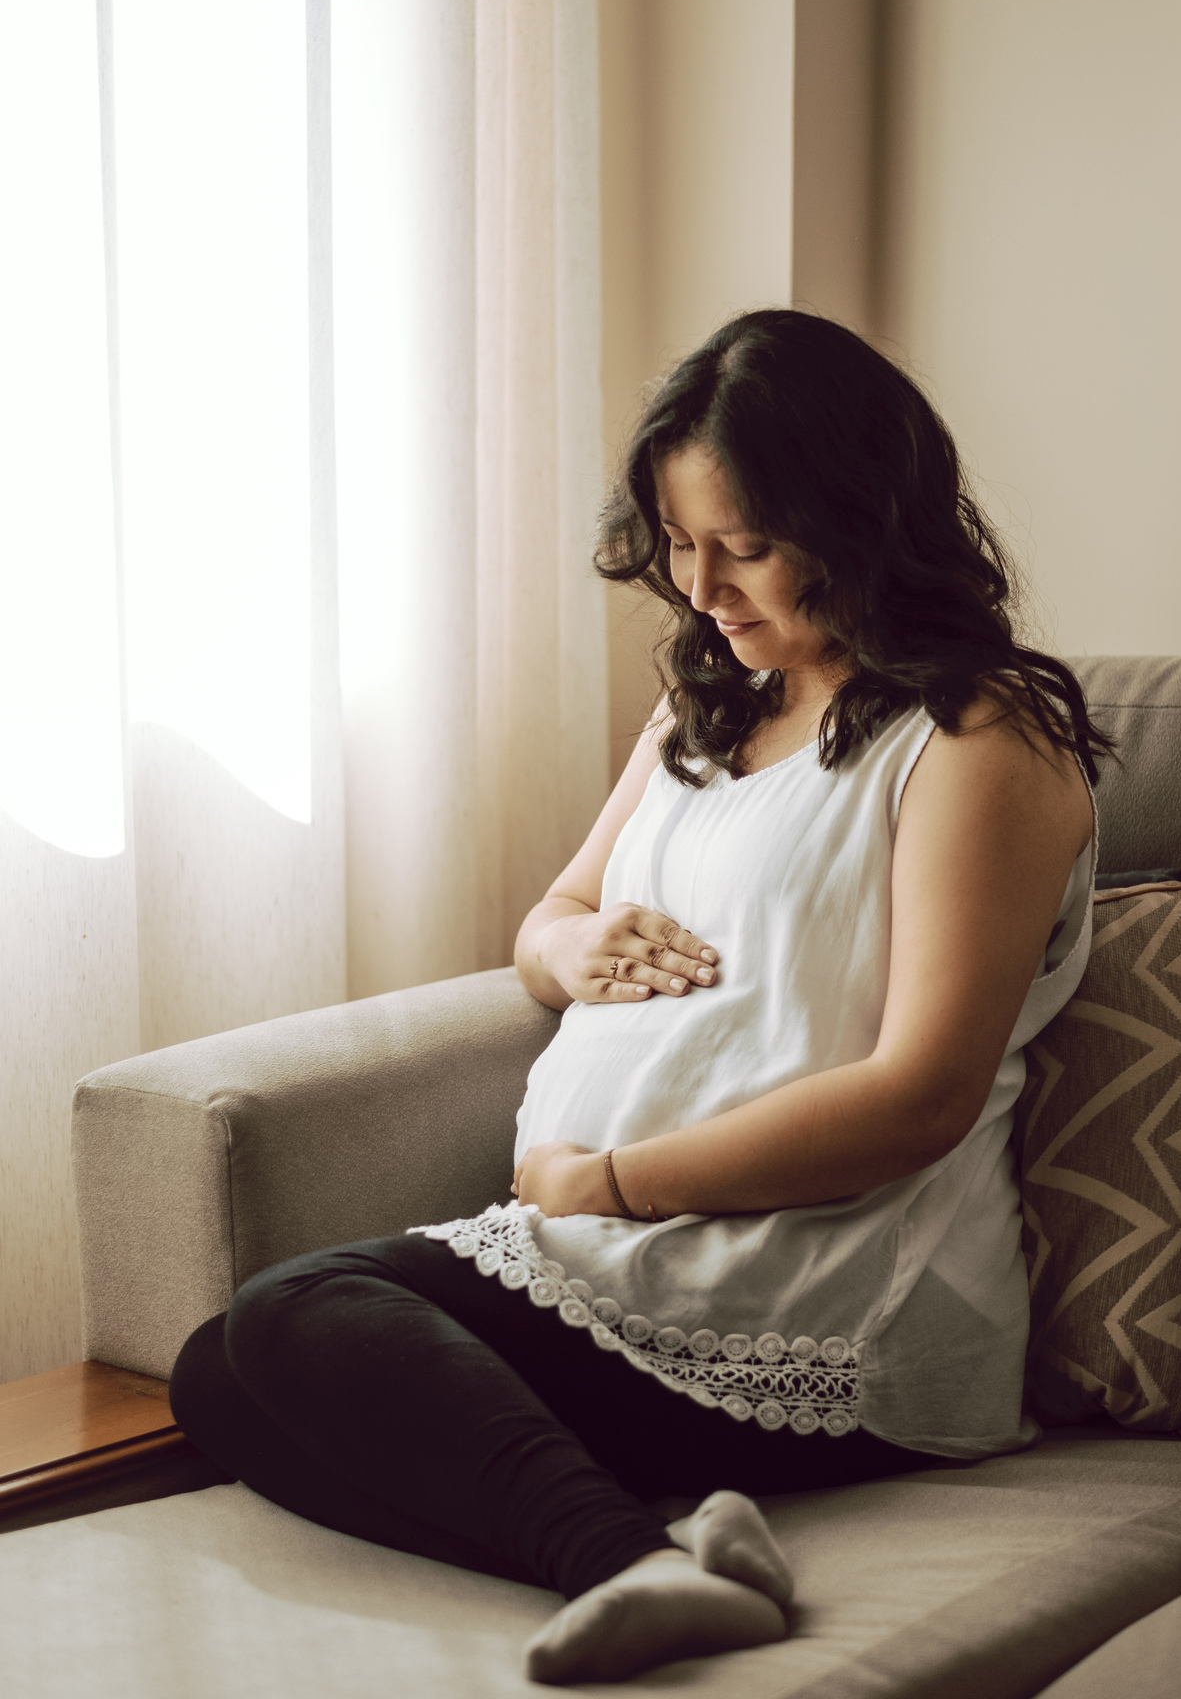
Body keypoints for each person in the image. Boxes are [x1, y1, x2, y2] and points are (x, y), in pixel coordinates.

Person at [170, 310, 1106, 1686]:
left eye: (747, 545)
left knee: (292, 1313)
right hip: (624, 1249)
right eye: (677, 541)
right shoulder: (709, 709)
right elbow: (546, 925)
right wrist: (579, 949)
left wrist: (606, 1183)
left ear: (863, 522)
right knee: (217, 1376)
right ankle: (665, 1552)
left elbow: (921, 1096)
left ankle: (622, 1561)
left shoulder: (978, 738)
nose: (703, 586)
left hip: (817, 1276)